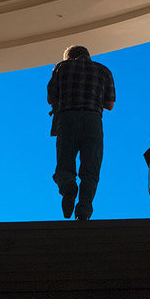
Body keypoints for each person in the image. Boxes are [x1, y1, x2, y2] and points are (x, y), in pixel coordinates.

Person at [47, 45, 115, 221]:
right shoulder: (103, 71)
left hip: (67, 119)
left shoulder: (61, 68)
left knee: (64, 163)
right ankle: (83, 211)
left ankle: (68, 185)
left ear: (68, 57)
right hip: (93, 121)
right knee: (91, 170)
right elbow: (109, 104)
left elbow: (50, 98)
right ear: (87, 55)